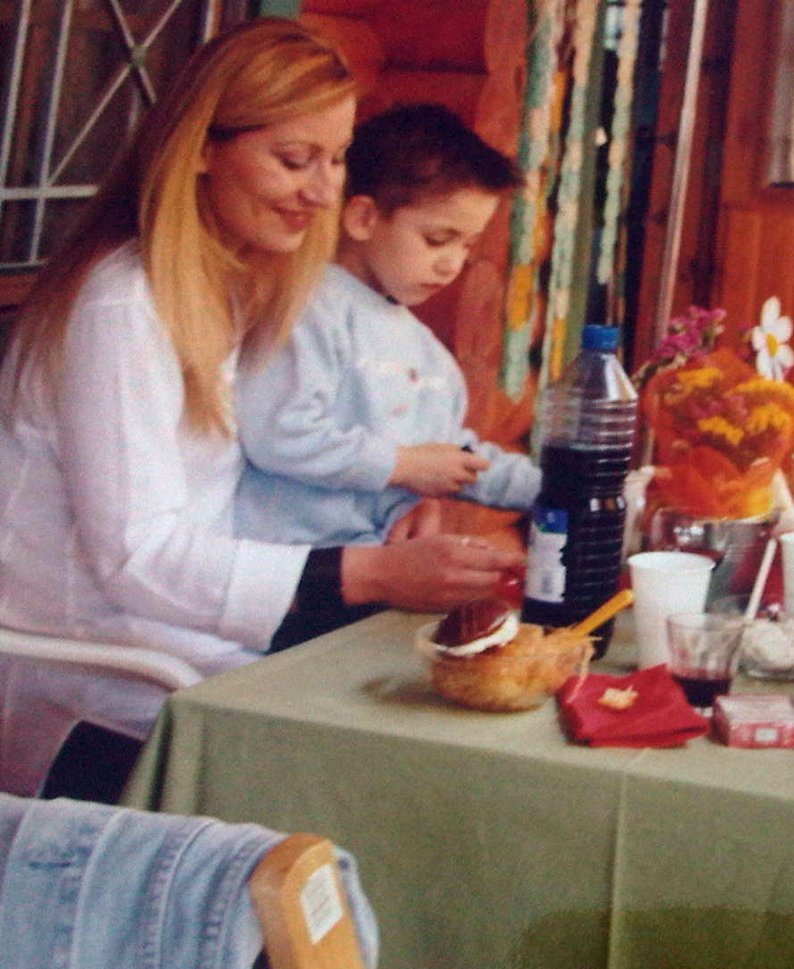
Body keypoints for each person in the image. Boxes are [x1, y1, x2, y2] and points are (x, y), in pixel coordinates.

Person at [0, 20, 522, 802]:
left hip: (191, 635)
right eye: (294, 159)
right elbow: (137, 556)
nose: (323, 191)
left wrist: (396, 496)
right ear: (201, 150)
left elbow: (255, 463)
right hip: (97, 671)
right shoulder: (123, 308)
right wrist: (371, 572)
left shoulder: (235, 286)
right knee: (400, 772)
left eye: (336, 159)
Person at [234, 103, 537, 548]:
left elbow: (446, 454)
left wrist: (556, 488)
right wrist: (403, 466)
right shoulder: (308, 308)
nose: (452, 264)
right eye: (437, 239)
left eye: (468, 246)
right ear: (363, 219)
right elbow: (277, 434)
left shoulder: (428, 353)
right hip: (290, 566)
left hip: (374, 566)